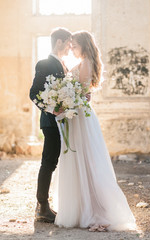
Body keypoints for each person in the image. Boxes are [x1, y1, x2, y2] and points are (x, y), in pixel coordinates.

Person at [51, 31, 137, 231]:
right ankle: (81, 205)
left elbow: (80, 92)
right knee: (80, 159)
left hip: (80, 115)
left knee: (85, 160)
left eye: (74, 45)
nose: (71, 48)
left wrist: (65, 101)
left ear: (83, 45)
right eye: (70, 45)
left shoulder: (86, 62)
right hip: (78, 113)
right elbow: (81, 91)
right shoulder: (85, 61)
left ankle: (90, 209)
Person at [29, 28, 72, 223]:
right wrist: (52, 108)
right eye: (69, 43)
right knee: (49, 162)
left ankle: (54, 204)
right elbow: (34, 92)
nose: (70, 47)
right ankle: (42, 207)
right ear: (59, 42)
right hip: (50, 122)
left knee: (58, 162)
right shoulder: (44, 63)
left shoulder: (64, 64)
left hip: (64, 121)